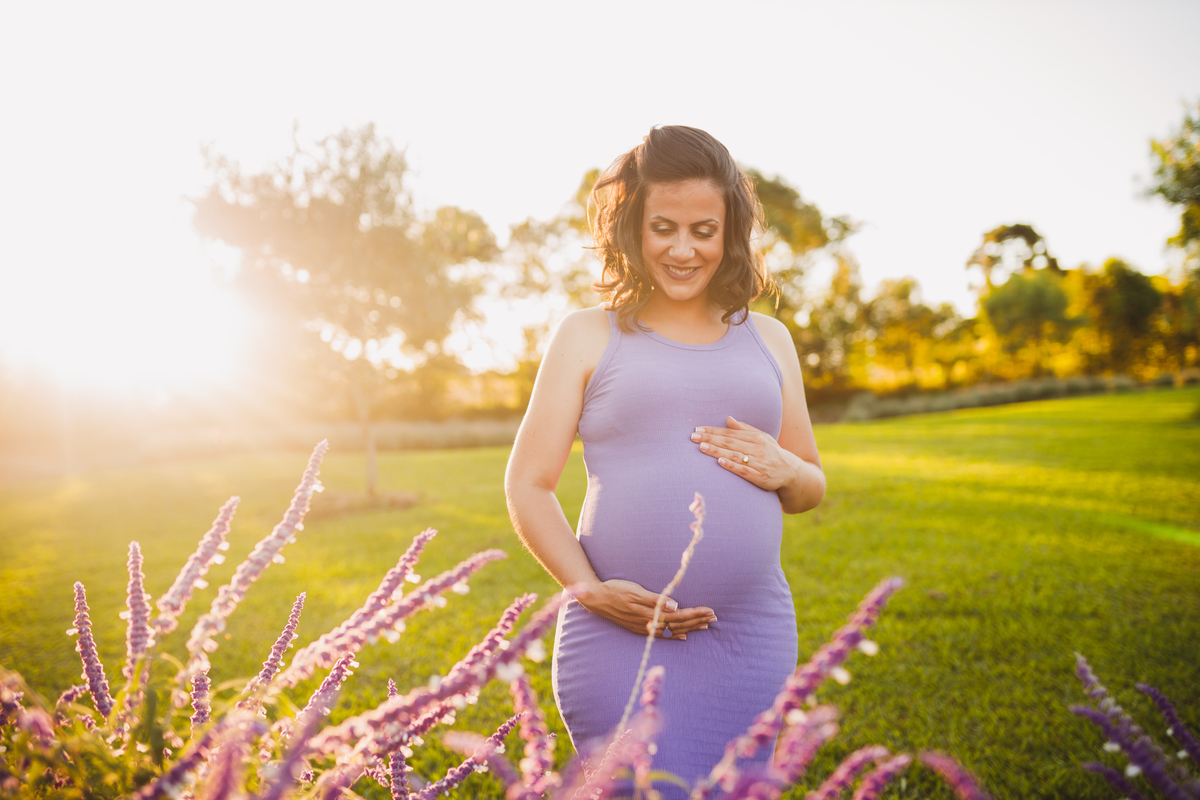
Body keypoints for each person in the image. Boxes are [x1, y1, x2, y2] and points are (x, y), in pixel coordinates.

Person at [504, 125, 825, 794]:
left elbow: (810, 484)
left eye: (704, 231)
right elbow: (529, 484)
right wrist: (587, 589)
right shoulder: (587, 334)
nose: (683, 250)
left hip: (750, 635)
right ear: (632, 229)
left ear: (730, 233)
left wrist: (788, 471)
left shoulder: (769, 340)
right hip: (616, 633)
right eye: (663, 228)